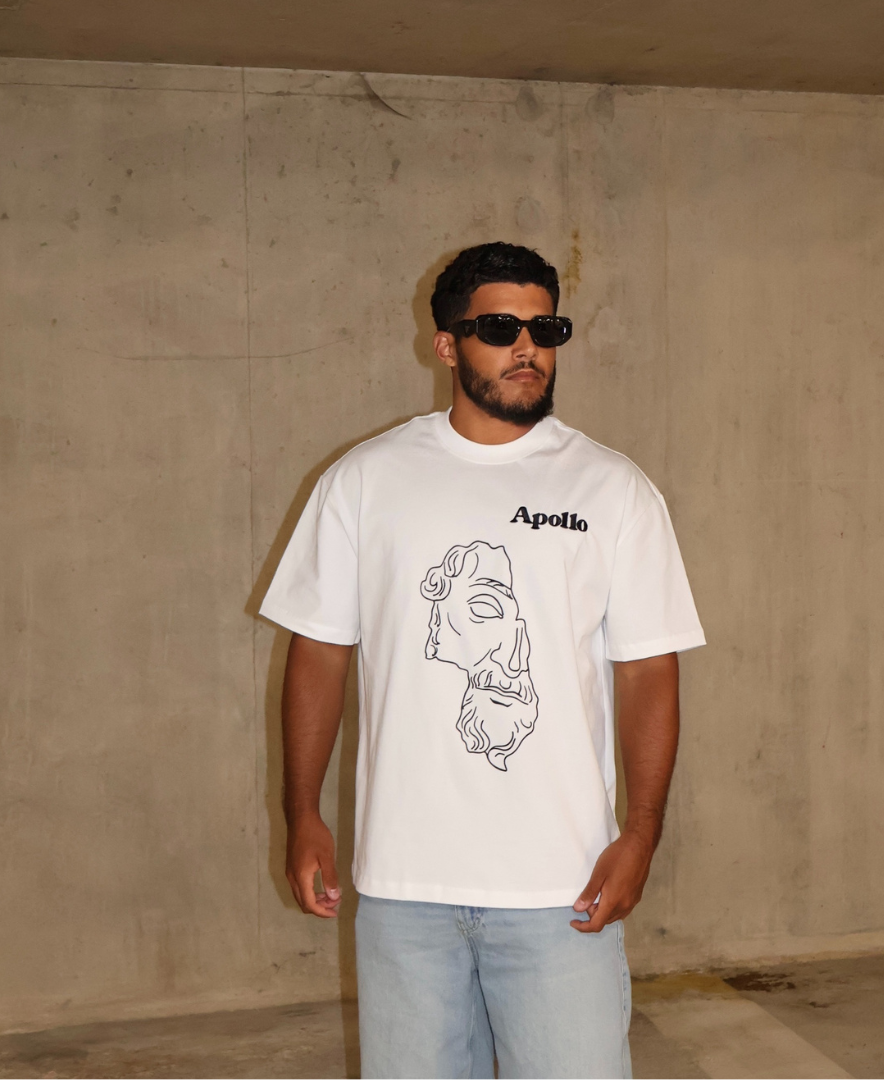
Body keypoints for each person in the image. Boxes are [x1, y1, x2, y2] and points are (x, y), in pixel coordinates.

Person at [259, 241, 705, 1079]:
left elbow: (649, 671)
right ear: (446, 344)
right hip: (404, 892)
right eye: (501, 328)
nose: (527, 347)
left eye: (546, 329)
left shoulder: (612, 490)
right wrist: (303, 812)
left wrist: (642, 833)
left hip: (561, 889)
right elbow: (318, 650)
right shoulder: (366, 481)